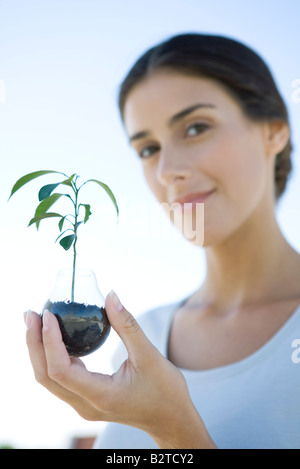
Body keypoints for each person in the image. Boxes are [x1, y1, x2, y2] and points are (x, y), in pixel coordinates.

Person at [24, 33, 300, 449]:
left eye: (195, 127)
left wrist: (172, 428)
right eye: (148, 148)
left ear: (273, 132)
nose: (168, 169)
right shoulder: (144, 339)